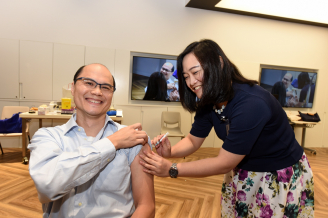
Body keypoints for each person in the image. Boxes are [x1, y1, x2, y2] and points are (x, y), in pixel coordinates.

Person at [139, 39, 314, 217]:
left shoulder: (251, 103)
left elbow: (224, 162)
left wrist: (171, 169)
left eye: (195, 72)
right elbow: (192, 140)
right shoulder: (209, 100)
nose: (191, 82)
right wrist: (169, 152)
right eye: (185, 77)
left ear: (219, 63)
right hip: (244, 172)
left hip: (277, 175)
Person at [28, 64, 155, 218]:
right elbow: (47, 186)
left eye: (106, 87)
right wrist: (112, 142)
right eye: (89, 83)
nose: (97, 91)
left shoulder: (135, 139)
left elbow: (146, 206)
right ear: (73, 88)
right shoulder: (48, 137)